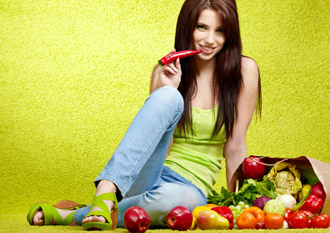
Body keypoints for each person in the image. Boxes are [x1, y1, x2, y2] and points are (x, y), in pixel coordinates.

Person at [27, 0, 261, 230]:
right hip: (150, 174)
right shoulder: (166, 70)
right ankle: (106, 193)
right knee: (169, 96)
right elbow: (158, 144)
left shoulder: (244, 72)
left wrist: (238, 207)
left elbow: (235, 145)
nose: (210, 40)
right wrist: (171, 88)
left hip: (188, 188)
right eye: (202, 27)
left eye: (220, 31)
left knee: (175, 204)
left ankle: (74, 214)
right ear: (187, 26)